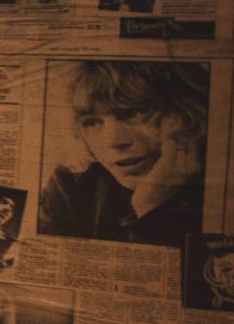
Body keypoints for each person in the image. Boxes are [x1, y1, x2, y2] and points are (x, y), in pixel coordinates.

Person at [37, 61, 206, 244]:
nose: (114, 141)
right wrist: (149, 206)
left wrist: (152, 212)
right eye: (92, 122)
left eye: (134, 112)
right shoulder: (70, 188)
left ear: (186, 114)